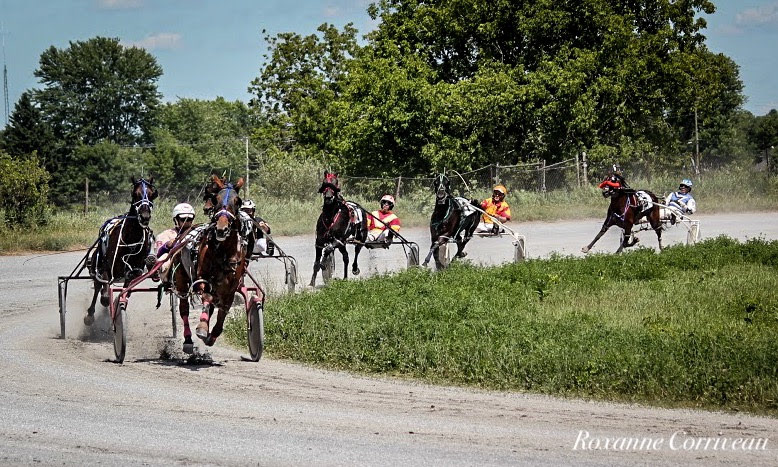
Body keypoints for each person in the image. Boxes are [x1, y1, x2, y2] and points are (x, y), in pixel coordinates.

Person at [152, 203, 196, 284]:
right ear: (176, 219)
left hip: (192, 259)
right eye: (183, 219)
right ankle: (156, 270)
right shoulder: (166, 234)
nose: (187, 222)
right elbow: (159, 253)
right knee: (164, 258)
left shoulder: (197, 232)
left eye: (189, 219)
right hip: (172, 260)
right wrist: (167, 245)